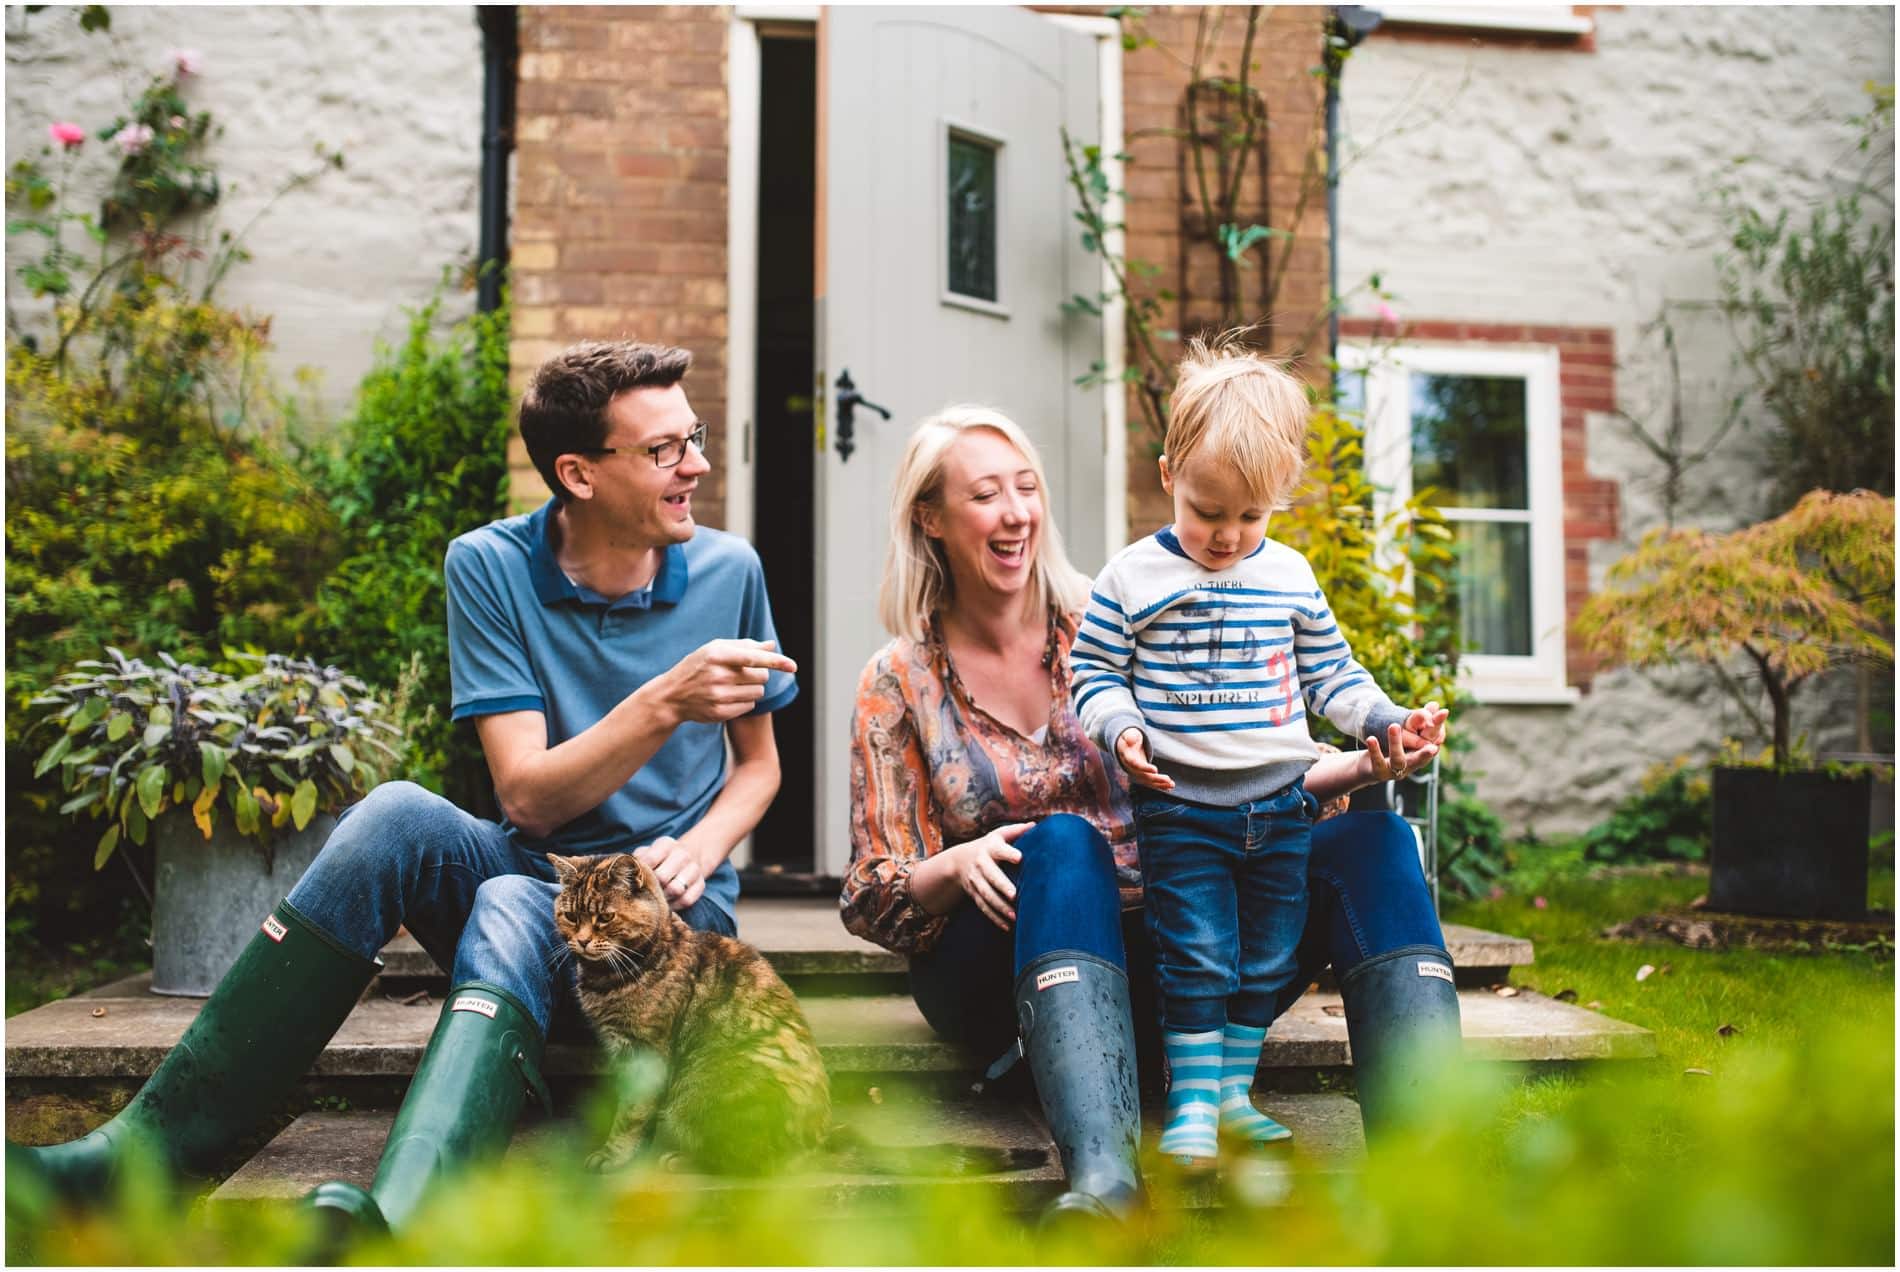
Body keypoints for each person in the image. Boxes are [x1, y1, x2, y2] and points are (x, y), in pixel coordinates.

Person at [10, 341, 799, 1235]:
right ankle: (137, 1159)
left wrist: (697, 850)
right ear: (577, 473)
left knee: (508, 897)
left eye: (690, 436)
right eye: (664, 449)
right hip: (544, 881)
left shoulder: (732, 571)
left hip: (670, 934)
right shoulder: (490, 565)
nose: (695, 462)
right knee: (399, 815)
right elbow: (530, 801)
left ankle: (396, 1218)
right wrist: (660, 703)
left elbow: (760, 766)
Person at [840, 404, 1461, 1223]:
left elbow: (1248, 770)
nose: (1016, 511)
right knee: (1063, 842)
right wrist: (953, 865)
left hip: (1184, 942)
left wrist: (1359, 754)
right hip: (1013, 963)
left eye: (1027, 487)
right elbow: (871, 894)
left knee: (1376, 838)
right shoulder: (898, 680)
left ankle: (1435, 1186)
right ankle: (1104, 1186)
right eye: (986, 494)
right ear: (930, 518)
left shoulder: (1119, 614)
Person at [1071, 339, 1450, 1168]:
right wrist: (1122, 728)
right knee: (1197, 951)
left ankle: (1234, 1096)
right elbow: (1091, 671)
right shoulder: (1130, 578)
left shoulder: (1288, 575)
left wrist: (1384, 719)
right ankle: (1194, 1103)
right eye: (1209, 512)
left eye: (1251, 517)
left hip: (1282, 805)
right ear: (1169, 472)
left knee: (1269, 955)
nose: (1228, 536)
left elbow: (1331, 674)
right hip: (1183, 806)